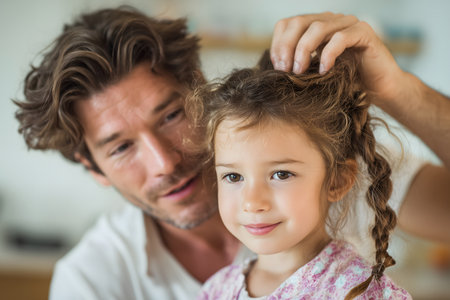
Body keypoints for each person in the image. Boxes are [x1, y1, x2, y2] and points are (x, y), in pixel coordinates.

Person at [13, 6, 449, 299]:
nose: (165, 160)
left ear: (202, 92)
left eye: (170, 116)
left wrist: (398, 89)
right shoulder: (92, 280)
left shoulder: (320, 163)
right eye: (122, 147)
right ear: (94, 169)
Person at [190, 50, 411, 299]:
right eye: (233, 177)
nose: (252, 202)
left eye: (281, 174)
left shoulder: (361, 292)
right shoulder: (216, 290)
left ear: (337, 179)